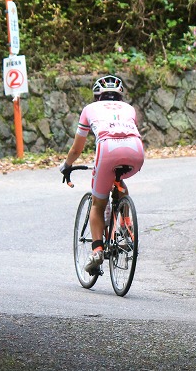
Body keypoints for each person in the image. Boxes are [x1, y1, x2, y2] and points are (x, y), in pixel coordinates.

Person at [59, 75, 145, 274]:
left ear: (97, 95)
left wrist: (67, 165)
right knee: (119, 178)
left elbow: (76, 148)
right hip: (136, 151)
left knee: (98, 204)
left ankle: (97, 250)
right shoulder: (129, 109)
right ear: (120, 95)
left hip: (108, 150)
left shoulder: (89, 109)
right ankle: (125, 222)